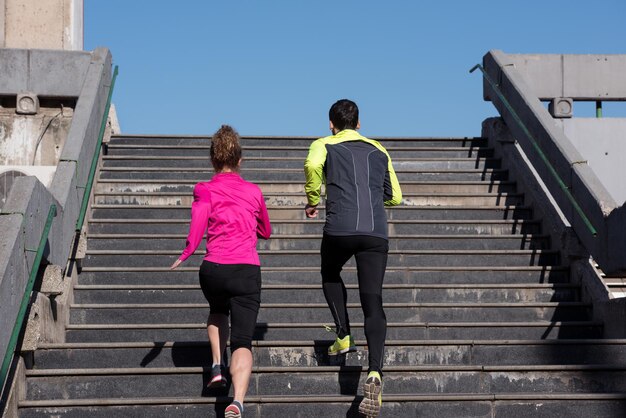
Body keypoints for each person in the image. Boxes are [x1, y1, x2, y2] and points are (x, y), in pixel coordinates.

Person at [304, 99, 402, 418]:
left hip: (340, 227)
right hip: (375, 230)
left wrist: (313, 197)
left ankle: (343, 334)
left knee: (330, 273)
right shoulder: (379, 149)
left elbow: (312, 166)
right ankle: (374, 372)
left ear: (332, 124)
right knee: (373, 301)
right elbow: (396, 197)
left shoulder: (324, 144)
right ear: (359, 124)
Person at [170, 125, 271, 418]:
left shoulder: (204, 188)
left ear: (213, 160)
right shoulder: (253, 191)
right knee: (242, 341)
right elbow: (266, 230)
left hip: (213, 268)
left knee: (217, 310)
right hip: (245, 270)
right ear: (240, 160)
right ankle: (237, 401)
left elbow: (198, 221)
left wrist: (188, 251)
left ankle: (216, 364)